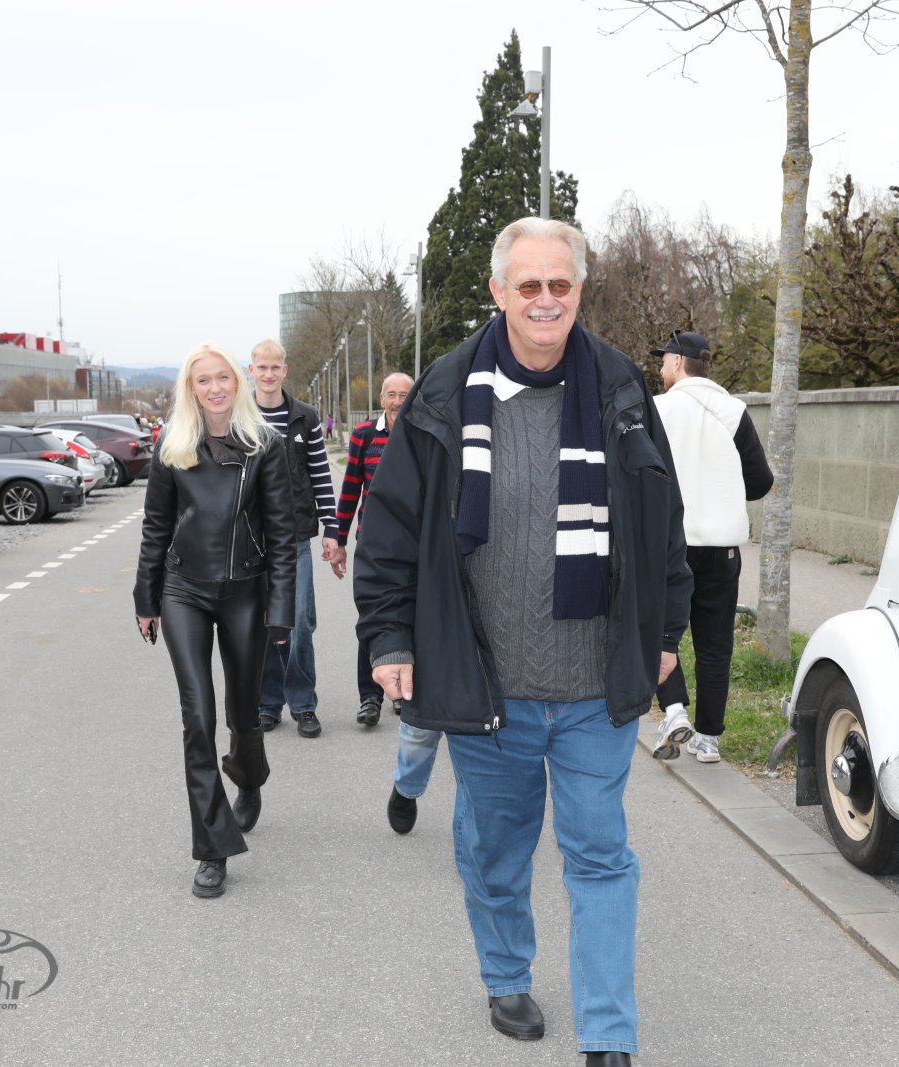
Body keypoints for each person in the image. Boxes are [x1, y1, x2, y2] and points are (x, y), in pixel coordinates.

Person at [355, 217, 691, 1067]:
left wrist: (665, 631)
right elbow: (391, 528)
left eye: (560, 284)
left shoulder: (619, 386)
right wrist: (391, 637)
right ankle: (506, 972)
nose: (546, 300)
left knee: (600, 854)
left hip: (595, 687)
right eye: (529, 284)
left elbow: (663, 520)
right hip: (488, 687)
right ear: (499, 291)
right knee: (496, 851)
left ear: (579, 291)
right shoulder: (444, 390)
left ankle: (607, 1031)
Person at [133, 342, 295, 900]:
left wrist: (281, 610)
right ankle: (211, 846)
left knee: (243, 711)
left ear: (237, 382)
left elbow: (282, 535)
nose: (215, 387)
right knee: (198, 716)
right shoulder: (172, 444)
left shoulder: (264, 444)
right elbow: (156, 526)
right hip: (184, 591)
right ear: (191, 388)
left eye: (222, 377)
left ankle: (248, 776)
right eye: (203, 380)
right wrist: (146, 598)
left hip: (246, 593)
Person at [649, 329, 774, 764]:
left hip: (671, 544)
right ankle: (708, 739)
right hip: (722, 547)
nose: (661, 368)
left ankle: (674, 711)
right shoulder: (733, 411)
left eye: (663, 360)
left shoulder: (657, 409)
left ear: (677, 363)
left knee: (658, 631)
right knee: (715, 644)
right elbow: (761, 481)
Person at [248, 338, 342, 739]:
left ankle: (303, 704)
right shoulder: (239, 417)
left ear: (284, 370)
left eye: (275, 367)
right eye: (262, 367)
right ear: (251, 370)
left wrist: (332, 530)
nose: (269, 374)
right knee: (264, 624)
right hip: (252, 541)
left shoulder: (305, 417)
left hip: (296, 538)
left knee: (300, 623)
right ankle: (268, 704)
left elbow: (320, 474)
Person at [331, 371, 414, 728]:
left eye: (404, 394)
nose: (397, 401)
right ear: (381, 400)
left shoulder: (421, 431)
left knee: (410, 616)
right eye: (391, 395)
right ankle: (370, 697)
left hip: (413, 545)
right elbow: (350, 489)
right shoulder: (364, 435)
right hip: (373, 546)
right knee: (373, 617)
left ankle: (401, 691)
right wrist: (339, 541)